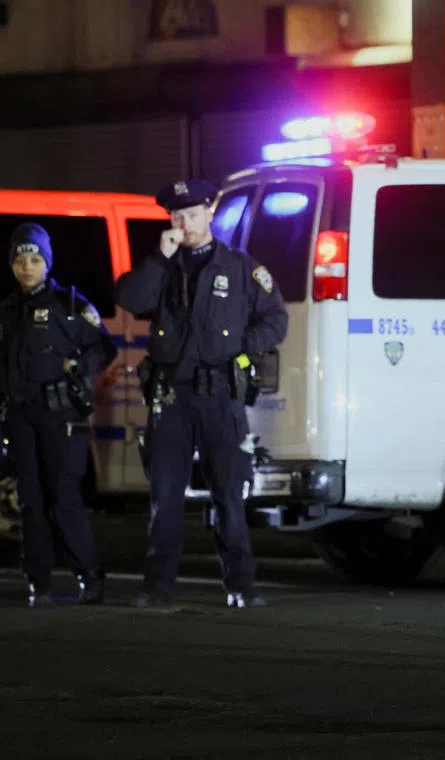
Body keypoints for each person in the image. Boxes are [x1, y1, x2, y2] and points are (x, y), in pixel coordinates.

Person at [114, 179, 288, 609]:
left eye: (191, 214)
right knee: (166, 496)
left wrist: (240, 348)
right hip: (170, 397)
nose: (184, 223)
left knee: (228, 494)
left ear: (209, 213)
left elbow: (275, 320)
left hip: (219, 396)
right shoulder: (163, 265)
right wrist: (160, 257)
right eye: (176, 216)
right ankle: (157, 588)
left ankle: (241, 586)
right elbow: (129, 298)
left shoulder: (239, 267)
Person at [0, 222, 117, 607]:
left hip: (60, 413)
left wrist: (77, 367)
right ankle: (38, 581)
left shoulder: (70, 305)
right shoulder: (8, 309)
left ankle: (90, 578)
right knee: (30, 501)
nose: (27, 267)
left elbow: (104, 348)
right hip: (21, 415)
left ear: (47, 263)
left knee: (64, 497)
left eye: (35, 259)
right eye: (21, 259)